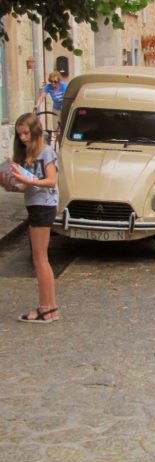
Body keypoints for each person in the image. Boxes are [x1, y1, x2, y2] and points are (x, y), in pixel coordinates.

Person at [0, 113, 60, 323]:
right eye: (20, 134)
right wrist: (9, 182)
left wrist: (25, 179)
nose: (23, 138)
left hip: (43, 207)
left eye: (26, 133)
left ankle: (45, 309)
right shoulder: (29, 153)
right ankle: (51, 308)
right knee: (41, 259)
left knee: (40, 259)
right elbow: (28, 186)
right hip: (37, 205)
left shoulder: (46, 152)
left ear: (35, 131)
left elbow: (51, 181)